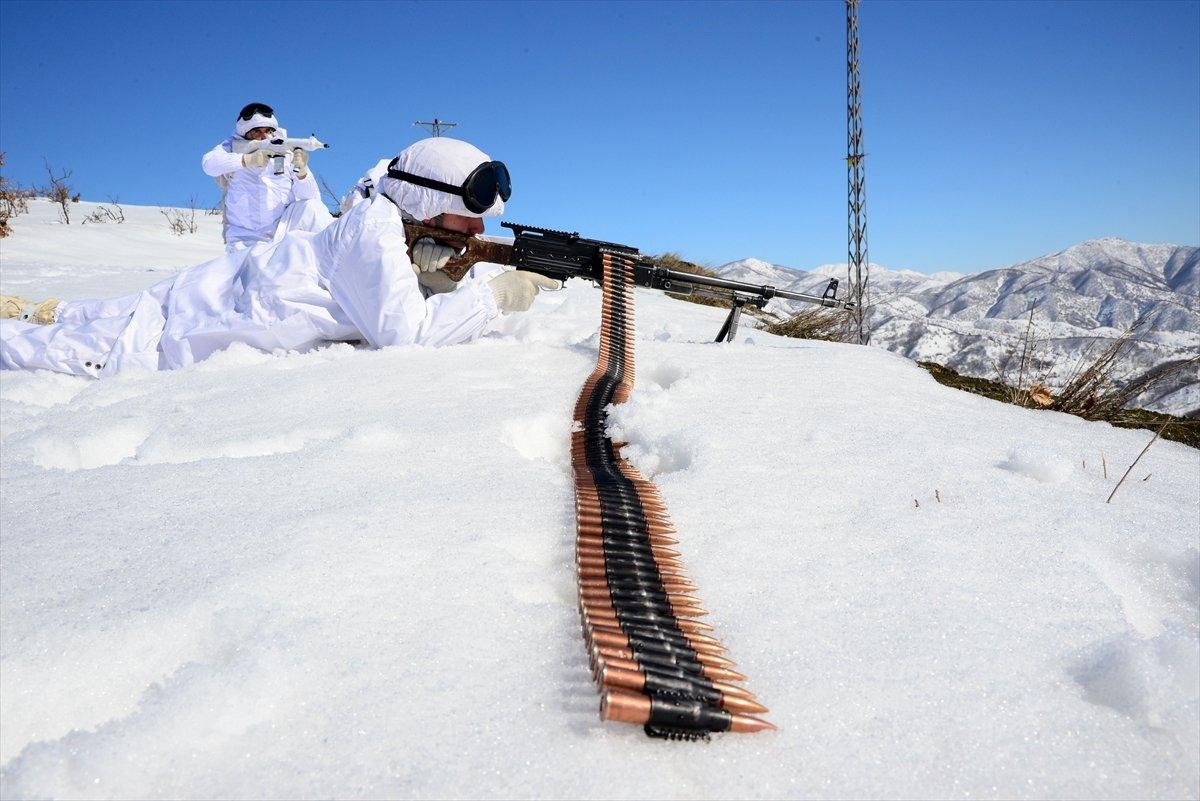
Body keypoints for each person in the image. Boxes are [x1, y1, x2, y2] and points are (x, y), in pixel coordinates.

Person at [0, 138, 559, 377]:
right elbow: (404, 336)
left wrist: (427, 273)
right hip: (180, 329)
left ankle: (37, 309)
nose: (479, 227)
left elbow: (385, 284)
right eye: (468, 212)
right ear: (429, 200)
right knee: (39, 352)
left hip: (200, 291)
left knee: (73, 317)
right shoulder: (374, 232)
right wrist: (492, 297)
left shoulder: (383, 219)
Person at [202, 102, 332, 251]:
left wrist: (302, 171)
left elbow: (312, 197)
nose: (264, 136)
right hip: (244, 239)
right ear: (245, 133)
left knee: (313, 207)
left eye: (268, 130)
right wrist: (246, 160)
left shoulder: (286, 151)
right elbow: (208, 164)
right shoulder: (232, 148)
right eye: (257, 131)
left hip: (283, 231)